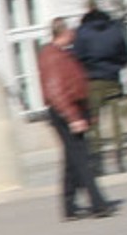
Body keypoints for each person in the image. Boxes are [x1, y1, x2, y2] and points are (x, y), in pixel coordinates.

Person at [38, 17, 120, 221]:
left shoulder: (60, 54)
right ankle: (98, 205)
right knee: (83, 160)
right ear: (63, 33)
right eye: (70, 32)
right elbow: (56, 92)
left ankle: (68, 206)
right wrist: (73, 117)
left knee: (72, 160)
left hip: (72, 109)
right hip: (66, 112)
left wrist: (84, 112)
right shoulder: (52, 56)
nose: (73, 35)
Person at [73, 7, 127, 174]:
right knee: (117, 121)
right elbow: (125, 54)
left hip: (92, 82)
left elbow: (77, 57)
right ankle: (121, 160)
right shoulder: (116, 29)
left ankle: (97, 163)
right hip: (113, 79)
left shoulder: (82, 32)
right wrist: (115, 67)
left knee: (93, 121)